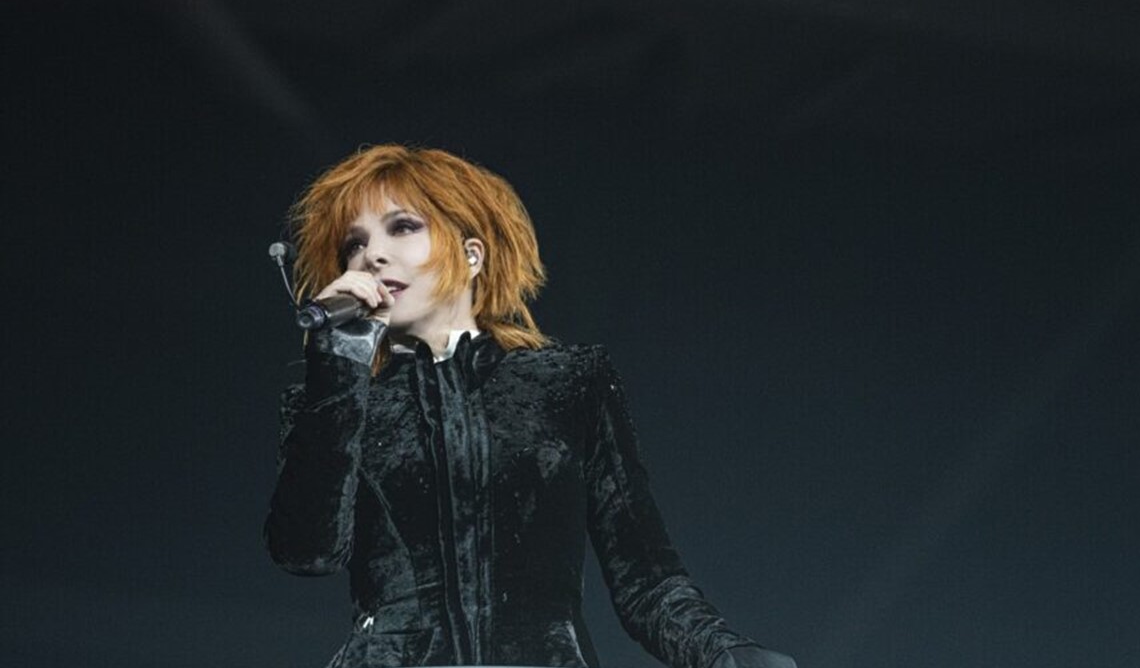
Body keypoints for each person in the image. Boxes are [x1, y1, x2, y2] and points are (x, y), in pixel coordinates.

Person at [264, 144, 796, 668]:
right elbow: (307, 552)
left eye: (403, 227)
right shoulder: (333, 402)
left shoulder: (566, 381)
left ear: (471, 254)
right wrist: (338, 366)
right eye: (354, 245)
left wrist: (722, 651)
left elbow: (644, 576)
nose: (372, 255)